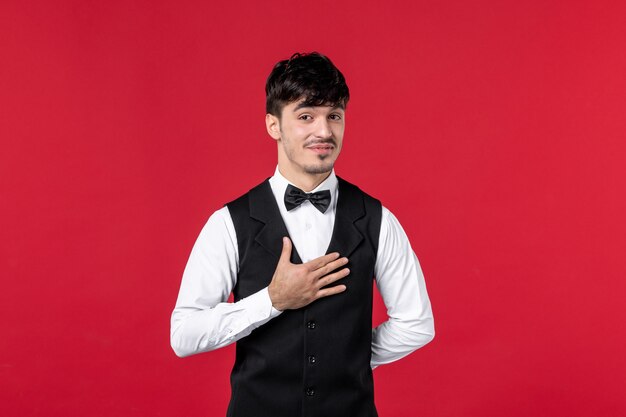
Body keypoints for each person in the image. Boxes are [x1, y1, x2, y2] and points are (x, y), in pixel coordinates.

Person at [170, 52, 434, 417]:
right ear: (273, 125)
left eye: (334, 116)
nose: (324, 131)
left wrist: (345, 359)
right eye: (306, 116)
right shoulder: (229, 222)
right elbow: (184, 335)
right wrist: (272, 300)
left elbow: (417, 324)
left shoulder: (378, 219)